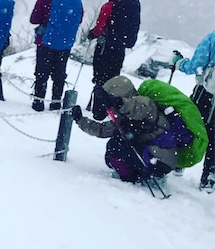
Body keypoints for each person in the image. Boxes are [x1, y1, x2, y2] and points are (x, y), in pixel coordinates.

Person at [71, 75, 208, 185]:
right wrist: (80, 120)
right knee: (115, 144)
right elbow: (103, 130)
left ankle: (132, 178)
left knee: (117, 144)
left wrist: (118, 102)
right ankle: (136, 174)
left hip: (160, 160)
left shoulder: (146, 104)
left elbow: (136, 107)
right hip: (154, 157)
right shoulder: (124, 116)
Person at [29, 0, 83, 112]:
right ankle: (56, 103)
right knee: (59, 74)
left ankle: (38, 102)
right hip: (65, 44)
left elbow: (33, 19)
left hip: (46, 42)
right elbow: (79, 19)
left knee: (42, 73)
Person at [86, 0, 141, 120]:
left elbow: (100, 27)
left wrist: (91, 34)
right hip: (120, 48)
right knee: (113, 78)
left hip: (105, 47)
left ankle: (98, 111)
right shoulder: (131, 5)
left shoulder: (109, 6)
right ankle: (111, 108)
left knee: (100, 78)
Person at [172, 30, 215, 190]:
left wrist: (179, 63)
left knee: (188, 124)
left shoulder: (212, 38)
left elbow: (195, 66)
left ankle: (178, 161)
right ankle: (209, 178)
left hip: (206, 93)